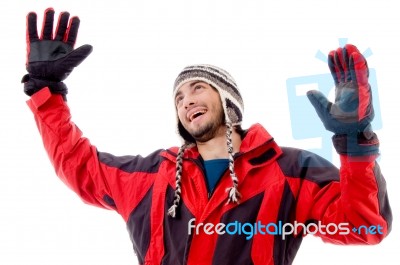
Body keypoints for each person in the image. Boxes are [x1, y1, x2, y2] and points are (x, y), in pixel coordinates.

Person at [22, 8, 392, 265]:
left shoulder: (292, 171)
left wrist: (355, 140)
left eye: (198, 88)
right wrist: (47, 91)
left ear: (228, 100)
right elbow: (79, 166)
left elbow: (363, 226)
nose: (187, 102)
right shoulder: (150, 177)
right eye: (179, 98)